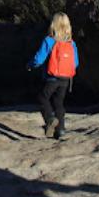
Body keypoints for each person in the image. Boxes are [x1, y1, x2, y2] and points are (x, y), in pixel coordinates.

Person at [28, 12, 79, 140]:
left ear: (53, 25)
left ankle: (50, 119)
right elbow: (76, 63)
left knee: (42, 98)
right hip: (66, 79)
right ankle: (60, 130)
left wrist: (29, 65)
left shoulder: (49, 40)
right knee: (58, 102)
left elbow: (38, 60)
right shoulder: (71, 43)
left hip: (52, 77)